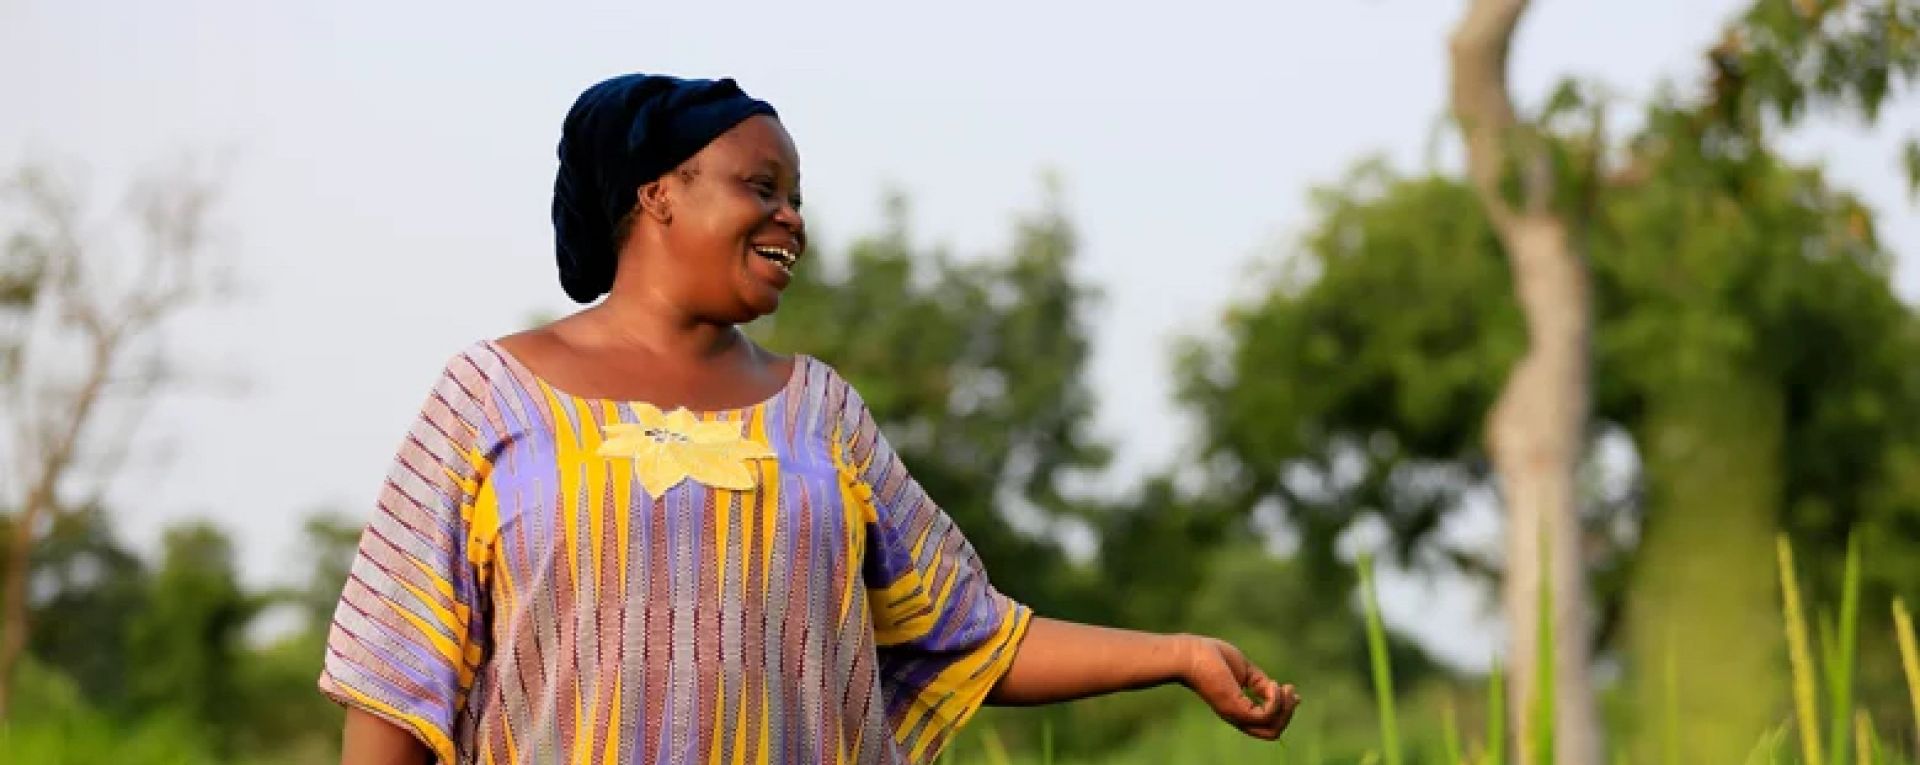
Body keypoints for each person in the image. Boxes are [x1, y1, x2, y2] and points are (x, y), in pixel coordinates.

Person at [319, 72, 1299, 765]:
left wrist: (1178, 656)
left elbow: (966, 634)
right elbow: (395, 673)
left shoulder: (819, 413)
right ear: (658, 195)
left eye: (795, 197)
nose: (792, 218)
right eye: (761, 187)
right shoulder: (489, 397)